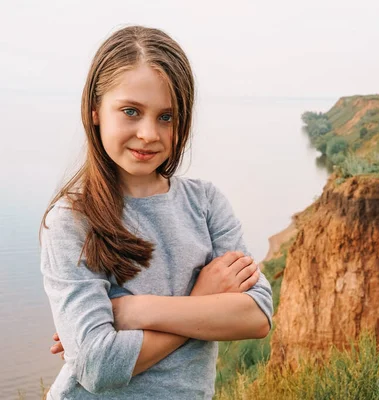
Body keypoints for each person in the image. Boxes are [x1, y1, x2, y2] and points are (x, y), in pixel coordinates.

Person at [39, 25, 273, 399]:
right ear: (95, 110)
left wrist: (131, 311)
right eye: (131, 111)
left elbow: (256, 316)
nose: (148, 133)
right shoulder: (73, 219)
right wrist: (200, 302)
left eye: (166, 116)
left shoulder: (206, 203)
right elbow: (97, 366)